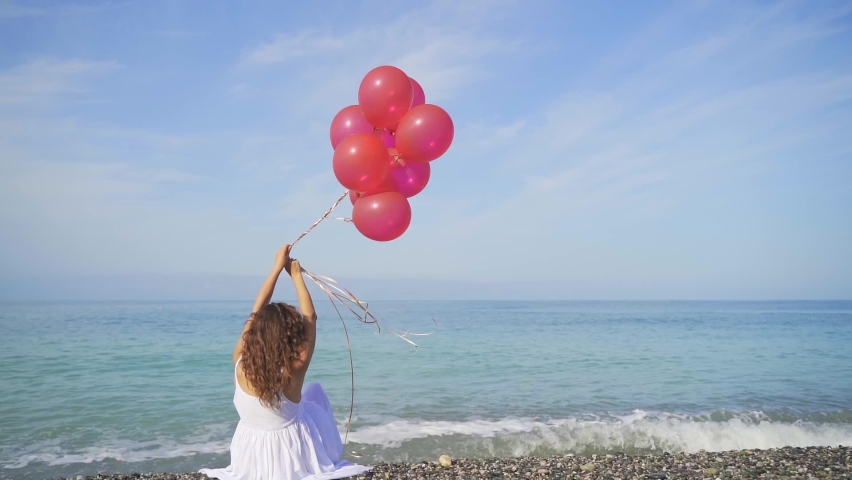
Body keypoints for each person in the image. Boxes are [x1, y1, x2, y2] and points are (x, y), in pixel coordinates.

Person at [200, 244, 371, 480]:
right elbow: (310, 317)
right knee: (315, 393)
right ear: (289, 335)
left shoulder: (239, 362)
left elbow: (256, 310)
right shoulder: (294, 370)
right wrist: (296, 275)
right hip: (294, 452)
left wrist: (276, 267)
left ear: (256, 333)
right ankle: (329, 453)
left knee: (307, 396)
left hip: (250, 452)